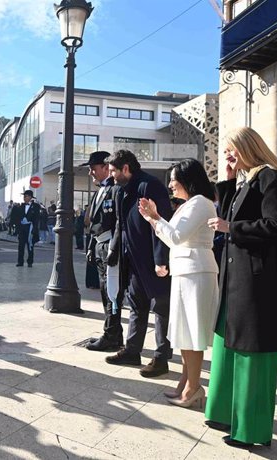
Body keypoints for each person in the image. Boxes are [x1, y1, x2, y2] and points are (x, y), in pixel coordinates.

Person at [206, 127, 277, 448]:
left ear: (247, 148)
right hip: (236, 278)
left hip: (257, 283)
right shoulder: (248, 179)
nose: (228, 155)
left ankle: (251, 431)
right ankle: (223, 412)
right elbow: (229, 214)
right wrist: (228, 180)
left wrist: (233, 228)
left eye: (231, 150)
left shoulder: (271, 178)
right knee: (226, 343)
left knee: (251, 352)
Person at [138, 159, 219, 408]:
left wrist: (155, 218)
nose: (170, 184)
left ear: (186, 179)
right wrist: (155, 219)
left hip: (196, 273)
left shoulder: (200, 204)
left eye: (173, 179)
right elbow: (174, 235)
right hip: (187, 273)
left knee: (192, 333)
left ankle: (194, 387)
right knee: (185, 332)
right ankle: (186, 382)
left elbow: (175, 236)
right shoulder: (190, 204)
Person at [105, 150, 173, 378]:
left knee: (161, 309)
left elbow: (160, 222)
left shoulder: (150, 186)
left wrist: (161, 259)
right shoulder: (120, 191)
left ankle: (161, 358)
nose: (111, 175)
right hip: (132, 261)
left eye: (114, 170)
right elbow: (120, 224)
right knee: (136, 306)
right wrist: (115, 250)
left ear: (126, 168)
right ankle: (132, 351)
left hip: (153, 262)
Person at [81, 151, 123, 352]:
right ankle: (114, 333)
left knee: (111, 292)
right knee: (105, 292)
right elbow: (94, 223)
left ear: (106, 168)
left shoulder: (115, 189)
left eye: (93, 168)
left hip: (109, 246)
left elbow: (118, 223)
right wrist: (91, 246)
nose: (90, 172)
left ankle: (111, 335)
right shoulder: (100, 190)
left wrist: (113, 248)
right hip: (99, 245)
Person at [11, 190, 40, 267]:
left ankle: (30, 262)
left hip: (30, 228)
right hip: (22, 228)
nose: (24, 198)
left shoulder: (36, 206)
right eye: (24, 196)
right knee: (21, 246)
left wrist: (35, 229)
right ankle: (20, 262)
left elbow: (37, 218)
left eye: (26, 196)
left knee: (30, 245)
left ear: (30, 197)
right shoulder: (21, 206)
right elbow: (17, 217)